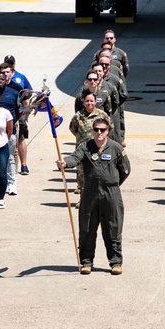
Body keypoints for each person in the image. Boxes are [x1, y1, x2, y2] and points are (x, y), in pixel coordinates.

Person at [56, 116, 131, 275]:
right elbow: (74, 158)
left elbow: (126, 170)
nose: (99, 133)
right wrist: (64, 163)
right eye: (96, 130)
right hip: (89, 193)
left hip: (111, 194)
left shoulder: (116, 148)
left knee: (113, 228)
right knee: (87, 228)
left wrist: (113, 183)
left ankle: (115, 262)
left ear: (108, 131)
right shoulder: (85, 147)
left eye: (102, 130)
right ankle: (86, 262)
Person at [69, 93, 108, 194]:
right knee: (82, 173)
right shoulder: (78, 116)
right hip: (82, 149)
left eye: (91, 101)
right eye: (87, 101)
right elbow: (73, 128)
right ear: (83, 102)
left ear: (95, 102)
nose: (89, 103)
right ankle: (82, 199)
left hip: (97, 149)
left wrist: (100, 139)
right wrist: (82, 138)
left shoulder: (101, 115)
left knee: (97, 173)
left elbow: (109, 127)